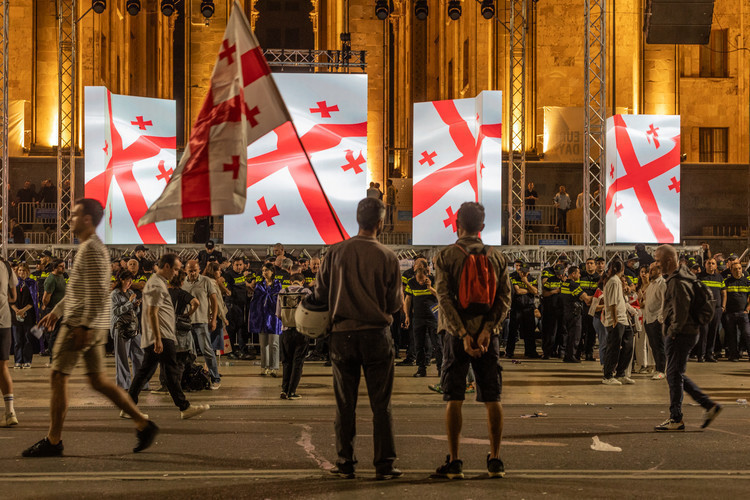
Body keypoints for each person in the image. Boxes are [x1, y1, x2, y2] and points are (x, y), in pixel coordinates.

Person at [23, 199, 158, 456]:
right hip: (86, 323)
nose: (69, 219)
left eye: (73, 215)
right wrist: (56, 311)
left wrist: (82, 325)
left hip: (80, 325)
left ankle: (53, 440)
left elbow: (97, 293)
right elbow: (79, 291)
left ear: (86, 219)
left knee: (58, 375)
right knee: (98, 381)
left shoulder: (92, 250)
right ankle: (143, 423)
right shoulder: (89, 248)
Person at [313, 197, 403, 480]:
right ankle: (385, 465)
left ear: (357, 220)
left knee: (345, 403)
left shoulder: (335, 253)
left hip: (342, 336)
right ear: (381, 223)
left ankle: (345, 462)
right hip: (377, 336)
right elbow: (394, 305)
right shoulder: (388, 257)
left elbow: (319, 296)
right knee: (381, 405)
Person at [431, 202, 511, 480]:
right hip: (489, 337)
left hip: (456, 336)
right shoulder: (497, 258)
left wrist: (463, 334)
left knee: (454, 397)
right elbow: (504, 300)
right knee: (493, 397)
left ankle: (455, 461)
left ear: (457, 224)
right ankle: (496, 461)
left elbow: (443, 298)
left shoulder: (445, 256)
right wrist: (488, 329)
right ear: (482, 228)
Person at [127, 253, 209, 420]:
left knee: (146, 372)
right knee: (171, 370)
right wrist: (157, 338)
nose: (177, 273)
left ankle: (128, 407)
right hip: (161, 335)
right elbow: (152, 312)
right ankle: (184, 407)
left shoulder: (159, 283)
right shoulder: (156, 284)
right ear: (166, 267)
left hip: (161, 334)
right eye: (176, 269)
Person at [654, 244, 722, 431]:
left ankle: (676, 418)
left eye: (658, 260)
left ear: (668, 260)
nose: (656, 264)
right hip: (687, 332)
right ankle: (708, 406)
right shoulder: (685, 276)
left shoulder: (677, 281)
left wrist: (673, 332)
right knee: (675, 374)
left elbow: (681, 311)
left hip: (682, 334)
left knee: (674, 375)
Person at [183, 260, 221, 389]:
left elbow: (214, 301)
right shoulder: (182, 283)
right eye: (190, 271)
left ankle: (215, 378)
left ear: (199, 270)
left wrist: (213, 319)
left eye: (195, 270)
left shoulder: (206, 281)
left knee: (207, 351)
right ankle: (190, 377)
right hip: (186, 324)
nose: (193, 273)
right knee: (188, 353)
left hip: (202, 322)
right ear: (185, 271)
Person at [276, 273, 312, 399]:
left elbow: (278, 314)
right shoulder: (307, 292)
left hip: (286, 330)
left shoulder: (282, 292)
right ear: (302, 282)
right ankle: (292, 391)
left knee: (286, 361)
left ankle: (284, 389)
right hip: (301, 331)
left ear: (291, 282)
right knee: (298, 362)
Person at [110, 271, 146, 391]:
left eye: (131, 280)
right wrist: (130, 303)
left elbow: (135, 312)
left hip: (133, 327)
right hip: (121, 328)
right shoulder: (115, 294)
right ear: (121, 280)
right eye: (128, 280)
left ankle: (140, 383)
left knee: (139, 353)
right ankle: (123, 384)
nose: (130, 283)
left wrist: (136, 305)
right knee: (122, 357)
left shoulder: (131, 292)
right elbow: (116, 311)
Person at [601, 260, 634, 385]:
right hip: (617, 319)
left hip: (623, 319)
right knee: (614, 348)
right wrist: (614, 320)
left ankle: (621, 373)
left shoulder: (617, 281)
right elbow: (613, 303)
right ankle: (608, 376)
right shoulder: (614, 281)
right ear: (622, 269)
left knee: (628, 346)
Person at [403, 266, 439, 378]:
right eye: (418, 279)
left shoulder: (434, 280)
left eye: (422, 279)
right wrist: (407, 316)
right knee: (419, 345)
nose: (420, 282)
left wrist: (429, 287)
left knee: (437, 344)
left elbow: (440, 296)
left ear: (426, 275)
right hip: (418, 318)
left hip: (433, 317)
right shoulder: (412, 282)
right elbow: (408, 299)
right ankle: (421, 369)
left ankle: (441, 369)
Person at [250, 264, 282, 377]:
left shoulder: (278, 284)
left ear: (272, 271)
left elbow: (278, 300)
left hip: (274, 318)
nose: (264, 272)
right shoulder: (259, 285)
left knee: (274, 343)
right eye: (263, 270)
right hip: (262, 318)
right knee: (263, 344)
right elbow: (256, 300)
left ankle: (274, 367)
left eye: (266, 270)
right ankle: (264, 367)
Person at [507, 262, 539, 359]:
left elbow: (536, 292)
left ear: (528, 272)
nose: (522, 274)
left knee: (530, 332)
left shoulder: (533, 280)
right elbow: (518, 291)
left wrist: (526, 282)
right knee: (512, 331)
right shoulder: (513, 278)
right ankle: (509, 352)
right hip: (516, 308)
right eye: (521, 272)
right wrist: (529, 290)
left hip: (528, 309)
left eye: (525, 272)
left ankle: (530, 351)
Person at [223, 257, 253, 360]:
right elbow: (226, 288)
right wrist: (229, 295)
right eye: (237, 265)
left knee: (241, 328)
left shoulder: (241, 275)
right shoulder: (228, 274)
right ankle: (230, 352)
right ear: (232, 265)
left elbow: (243, 286)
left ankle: (241, 350)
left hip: (241, 305)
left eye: (240, 264)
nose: (239, 267)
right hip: (232, 305)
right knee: (231, 329)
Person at [0, 257, 18, 428]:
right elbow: (14, 297)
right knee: (3, 367)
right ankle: (10, 412)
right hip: (4, 321)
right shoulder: (6, 265)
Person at [560, 266, 591, 363]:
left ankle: (567, 355)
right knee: (575, 336)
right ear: (573, 274)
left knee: (568, 335)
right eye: (578, 273)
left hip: (566, 312)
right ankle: (571, 355)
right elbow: (586, 298)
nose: (580, 275)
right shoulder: (573, 285)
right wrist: (598, 296)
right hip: (574, 313)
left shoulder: (565, 284)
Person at [697, 258, 725, 363]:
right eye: (709, 263)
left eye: (713, 263)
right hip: (704, 309)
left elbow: (724, 293)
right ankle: (701, 355)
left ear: (716, 266)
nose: (711, 265)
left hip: (716, 309)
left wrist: (723, 306)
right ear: (705, 264)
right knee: (703, 332)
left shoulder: (719, 277)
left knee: (713, 332)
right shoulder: (699, 277)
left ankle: (709, 354)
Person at [642, 262, 667, 380]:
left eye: (652, 269)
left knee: (659, 346)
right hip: (648, 318)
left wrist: (660, 319)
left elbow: (664, 301)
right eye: (650, 269)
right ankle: (658, 368)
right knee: (653, 346)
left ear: (659, 270)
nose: (650, 271)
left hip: (656, 319)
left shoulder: (662, 284)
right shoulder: (651, 284)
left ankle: (661, 370)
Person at [721, 261, 750, 362]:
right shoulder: (726, 282)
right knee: (731, 335)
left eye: (739, 268)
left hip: (743, 313)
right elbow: (723, 295)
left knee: (747, 333)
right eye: (735, 269)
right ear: (731, 271)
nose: (737, 271)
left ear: (742, 269)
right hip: (730, 314)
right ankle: (734, 355)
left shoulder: (747, 282)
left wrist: (747, 309)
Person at [11, 264, 38, 369]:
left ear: (28, 272)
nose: (21, 273)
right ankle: (18, 361)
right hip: (15, 316)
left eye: (24, 270)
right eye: (20, 270)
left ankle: (27, 360)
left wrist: (23, 310)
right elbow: (10, 300)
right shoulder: (13, 284)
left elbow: (33, 301)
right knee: (17, 340)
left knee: (27, 340)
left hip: (28, 316)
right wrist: (16, 310)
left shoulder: (31, 284)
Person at [577, 258, 601, 361]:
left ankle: (589, 353)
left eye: (591, 263)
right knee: (580, 331)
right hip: (581, 307)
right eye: (587, 263)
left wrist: (590, 299)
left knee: (591, 332)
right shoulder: (581, 276)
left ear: (595, 266)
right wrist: (585, 298)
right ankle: (578, 352)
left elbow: (600, 293)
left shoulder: (599, 278)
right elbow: (577, 289)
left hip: (593, 307)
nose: (589, 265)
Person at [42, 259, 67, 355]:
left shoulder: (61, 276)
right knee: (54, 335)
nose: (63, 268)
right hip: (54, 310)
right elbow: (45, 298)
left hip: (61, 310)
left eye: (63, 266)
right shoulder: (51, 279)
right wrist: (48, 308)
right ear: (54, 268)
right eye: (61, 266)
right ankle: (53, 357)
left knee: (60, 334)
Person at [541, 263, 566, 359]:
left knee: (563, 332)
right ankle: (548, 352)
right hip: (551, 310)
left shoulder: (567, 280)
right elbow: (544, 293)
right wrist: (555, 291)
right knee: (551, 332)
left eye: (561, 273)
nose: (559, 275)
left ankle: (562, 352)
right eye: (557, 273)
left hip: (563, 310)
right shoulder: (549, 280)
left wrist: (564, 283)